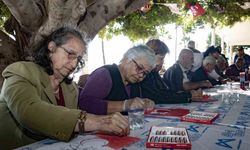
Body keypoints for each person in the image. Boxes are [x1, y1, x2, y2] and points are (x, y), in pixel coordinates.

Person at [0, 27, 129, 150]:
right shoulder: (21, 71)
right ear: (51, 47)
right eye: (70, 54)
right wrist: (99, 122)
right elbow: (29, 112)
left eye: (78, 59)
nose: (74, 64)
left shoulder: (70, 88)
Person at [78, 45, 156, 115]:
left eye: (145, 73)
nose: (141, 75)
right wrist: (124, 105)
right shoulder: (104, 75)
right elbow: (84, 104)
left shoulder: (135, 83)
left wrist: (144, 103)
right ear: (127, 59)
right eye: (139, 68)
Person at [134, 39, 202, 104]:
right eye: (161, 58)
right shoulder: (144, 73)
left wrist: (187, 94)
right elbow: (157, 96)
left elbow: (164, 91)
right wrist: (188, 96)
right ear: (150, 55)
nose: (162, 62)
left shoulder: (153, 72)